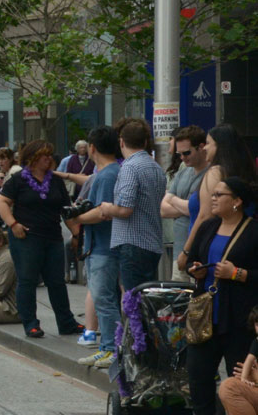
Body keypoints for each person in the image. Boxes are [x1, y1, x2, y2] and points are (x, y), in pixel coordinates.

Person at [183, 176, 258, 415]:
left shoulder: (253, 231)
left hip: (239, 316)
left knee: (238, 374)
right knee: (198, 369)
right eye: (212, 194)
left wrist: (238, 274)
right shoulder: (209, 226)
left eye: (219, 194)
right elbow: (193, 259)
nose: (213, 198)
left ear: (237, 201)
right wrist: (196, 269)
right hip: (206, 313)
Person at [0, 140, 83, 339]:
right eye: (44, 155)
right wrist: (13, 224)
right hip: (26, 237)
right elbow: (2, 202)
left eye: (50, 155)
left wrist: (76, 233)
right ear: (32, 158)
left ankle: (66, 322)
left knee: (56, 282)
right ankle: (31, 323)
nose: (49, 159)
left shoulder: (56, 181)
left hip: (52, 237)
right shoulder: (18, 180)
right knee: (27, 280)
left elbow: (65, 211)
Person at [69, 126, 123, 368]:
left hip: (104, 247)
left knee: (104, 299)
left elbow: (101, 212)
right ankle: (106, 348)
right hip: (101, 246)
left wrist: (77, 218)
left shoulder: (106, 175)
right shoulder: (110, 172)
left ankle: (111, 349)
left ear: (92, 148)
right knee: (104, 298)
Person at [95, 119, 165, 292]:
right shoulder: (155, 167)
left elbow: (125, 208)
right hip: (152, 243)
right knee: (146, 298)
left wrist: (107, 208)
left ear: (121, 142)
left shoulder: (129, 167)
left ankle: (135, 321)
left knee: (133, 301)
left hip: (133, 244)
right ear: (145, 141)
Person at [180, 124, 258, 276]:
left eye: (209, 143)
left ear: (221, 146)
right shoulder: (243, 170)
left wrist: (186, 251)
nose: (204, 148)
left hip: (215, 246)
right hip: (242, 246)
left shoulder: (215, 172)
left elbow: (205, 215)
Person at [161, 126, 208, 282]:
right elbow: (163, 209)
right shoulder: (182, 172)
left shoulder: (211, 174)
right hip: (178, 249)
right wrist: (188, 207)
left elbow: (202, 210)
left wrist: (173, 199)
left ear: (201, 147)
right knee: (178, 301)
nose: (182, 158)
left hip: (199, 254)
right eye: (179, 154)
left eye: (187, 153)